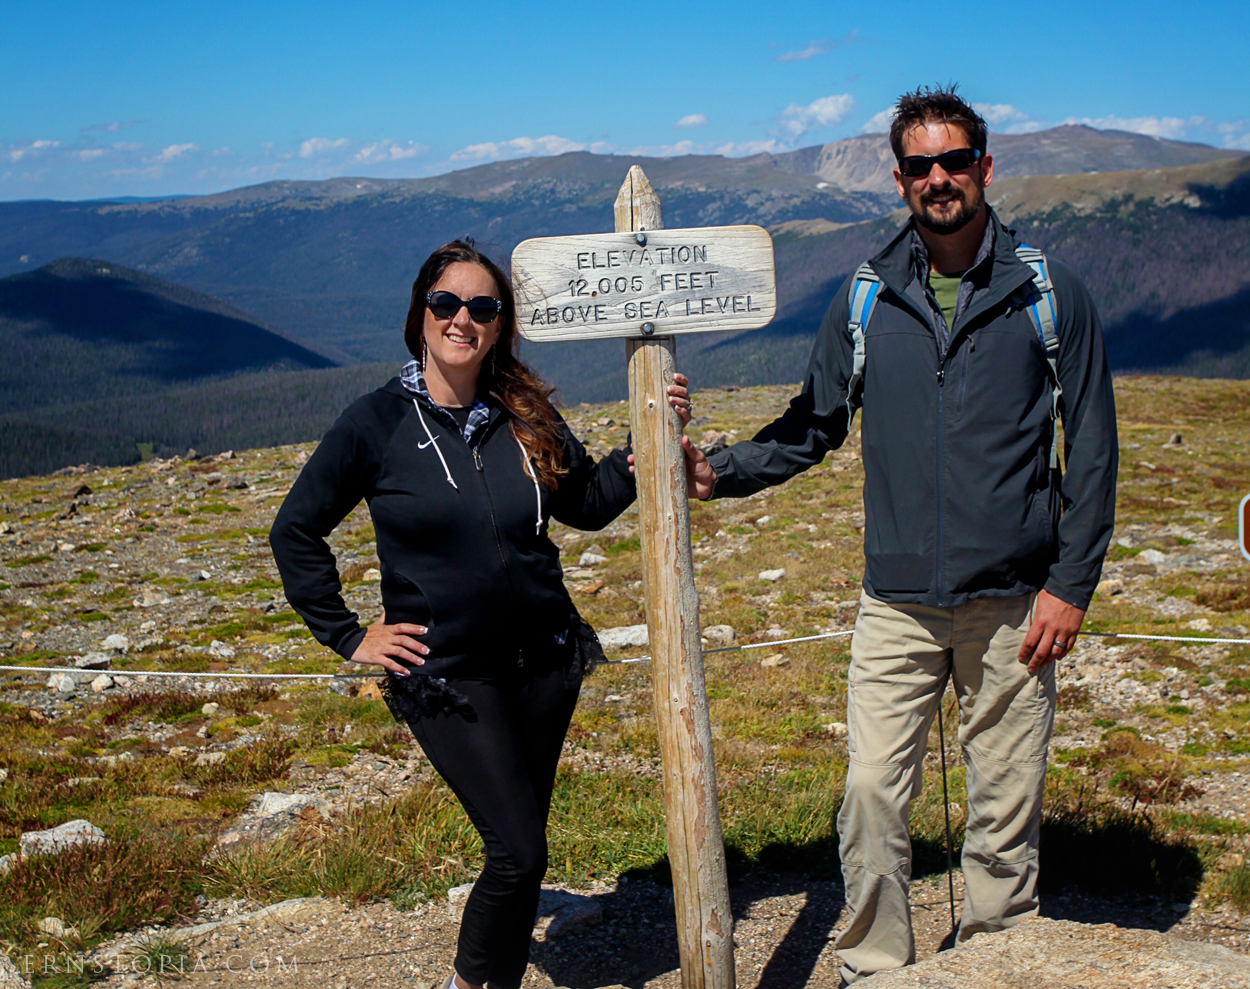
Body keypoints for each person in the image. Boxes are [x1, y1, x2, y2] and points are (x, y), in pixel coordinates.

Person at [681, 87, 1118, 982]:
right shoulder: (867, 297)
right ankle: (878, 968)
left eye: (955, 161)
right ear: (900, 179)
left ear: (985, 168)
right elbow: (814, 424)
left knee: (1004, 808)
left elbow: (1097, 447)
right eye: (920, 166)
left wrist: (1071, 584)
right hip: (898, 604)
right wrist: (717, 472)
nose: (939, 178)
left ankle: (999, 963)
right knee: (873, 795)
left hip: (1015, 602)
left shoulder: (1047, 293)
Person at [269, 240, 698, 989]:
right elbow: (295, 529)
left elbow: (587, 505)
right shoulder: (374, 423)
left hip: (546, 663)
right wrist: (347, 633)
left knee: (521, 845)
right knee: (519, 852)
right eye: (447, 303)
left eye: (482, 307)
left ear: (500, 325)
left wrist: (645, 443)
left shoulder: (523, 412)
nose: (462, 318)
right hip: (447, 673)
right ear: (421, 313)